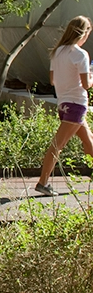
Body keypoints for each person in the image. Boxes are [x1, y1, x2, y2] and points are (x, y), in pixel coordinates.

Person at [36, 15, 93, 196]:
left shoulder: (57, 52)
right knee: (57, 145)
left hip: (64, 104)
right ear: (84, 33)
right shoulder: (81, 54)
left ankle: (44, 182)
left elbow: (52, 80)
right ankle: (43, 182)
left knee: (89, 140)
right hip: (77, 104)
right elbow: (86, 85)